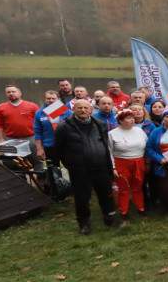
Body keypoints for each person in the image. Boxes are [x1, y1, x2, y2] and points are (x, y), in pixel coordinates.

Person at [54, 99, 118, 233]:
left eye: (85, 108)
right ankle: (84, 223)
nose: (83, 110)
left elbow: (105, 145)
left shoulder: (99, 123)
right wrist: (72, 164)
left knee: (106, 195)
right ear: (73, 109)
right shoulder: (64, 126)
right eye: (79, 108)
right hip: (80, 170)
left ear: (90, 109)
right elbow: (59, 150)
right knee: (82, 198)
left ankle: (109, 217)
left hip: (101, 167)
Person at [108, 109, 147, 223]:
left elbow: (146, 144)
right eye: (129, 118)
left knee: (137, 187)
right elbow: (109, 151)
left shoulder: (139, 130)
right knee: (123, 188)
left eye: (132, 118)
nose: (132, 120)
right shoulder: (112, 133)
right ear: (121, 121)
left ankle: (140, 208)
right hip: (121, 162)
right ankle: (124, 211)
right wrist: (113, 167)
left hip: (139, 161)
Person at [34, 90, 70, 164]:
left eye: (53, 98)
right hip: (49, 146)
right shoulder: (39, 113)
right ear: (45, 99)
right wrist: (39, 148)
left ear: (59, 100)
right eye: (48, 98)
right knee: (53, 170)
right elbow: (37, 131)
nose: (51, 100)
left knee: (71, 168)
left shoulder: (67, 112)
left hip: (66, 145)